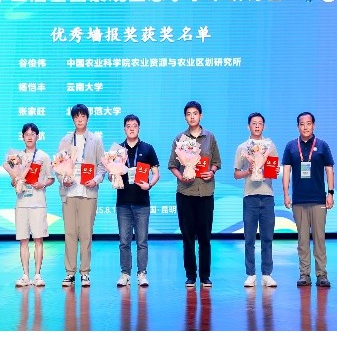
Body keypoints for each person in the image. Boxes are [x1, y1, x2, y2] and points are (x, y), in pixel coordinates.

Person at [169, 102, 221, 288]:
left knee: (205, 237)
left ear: (201, 116)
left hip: (205, 192)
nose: (192, 117)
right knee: (188, 237)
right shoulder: (179, 138)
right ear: (185, 117)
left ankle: (205, 276)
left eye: (195, 113)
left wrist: (211, 172)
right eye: (189, 114)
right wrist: (181, 177)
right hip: (185, 193)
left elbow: (216, 162)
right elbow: (173, 165)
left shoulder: (210, 137)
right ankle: (190, 275)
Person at [278, 112, 334, 287]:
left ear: (313, 125)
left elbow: (329, 170)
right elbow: (286, 171)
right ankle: (304, 275)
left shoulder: (322, 146)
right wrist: (286, 194)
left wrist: (330, 193)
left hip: (318, 200)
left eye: (308, 123)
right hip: (299, 201)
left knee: (319, 239)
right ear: (298, 127)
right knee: (302, 240)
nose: (305, 127)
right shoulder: (291, 147)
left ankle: (322, 274)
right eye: (302, 124)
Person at [56, 104, 104, 286]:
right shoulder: (65, 140)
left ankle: (85, 272)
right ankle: (70, 272)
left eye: (83, 116)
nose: (80, 119)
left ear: (87, 118)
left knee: (86, 233)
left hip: (88, 193)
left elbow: (102, 165)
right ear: (73, 119)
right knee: (70, 233)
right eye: (76, 116)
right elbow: (57, 165)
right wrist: (63, 179)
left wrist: (96, 180)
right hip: (69, 192)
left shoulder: (95, 140)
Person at [109, 114, 159, 287]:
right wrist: (113, 175)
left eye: (134, 125)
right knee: (124, 241)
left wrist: (149, 185)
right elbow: (110, 175)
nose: (131, 128)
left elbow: (156, 174)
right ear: (124, 129)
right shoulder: (117, 150)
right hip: (123, 202)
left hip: (142, 202)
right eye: (128, 126)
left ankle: (142, 274)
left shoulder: (148, 148)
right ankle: (125, 274)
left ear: (139, 128)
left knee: (142, 241)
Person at [231, 113, 279, 287]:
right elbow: (236, 174)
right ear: (248, 126)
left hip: (267, 196)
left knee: (267, 237)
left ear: (263, 126)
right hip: (250, 197)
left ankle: (267, 274)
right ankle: (250, 274)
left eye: (260, 123)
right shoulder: (242, 148)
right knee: (249, 238)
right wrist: (249, 171)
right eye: (254, 123)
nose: (257, 126)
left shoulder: (270, 146)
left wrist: (271, 170)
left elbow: (274, 169)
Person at [3, 123, 53, 287]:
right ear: (23, 137)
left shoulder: (43, 156)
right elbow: (13, 179)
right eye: (26, 134)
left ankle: (37, 275)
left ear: (37, 136)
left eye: (32, 134)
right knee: (23, 240)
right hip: (22, 203)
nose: (30, 137)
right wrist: (15, 180)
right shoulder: (16, 157)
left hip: (38, 203)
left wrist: (42, 184)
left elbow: (51, 178)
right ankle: (25, 275)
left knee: (38, 240)